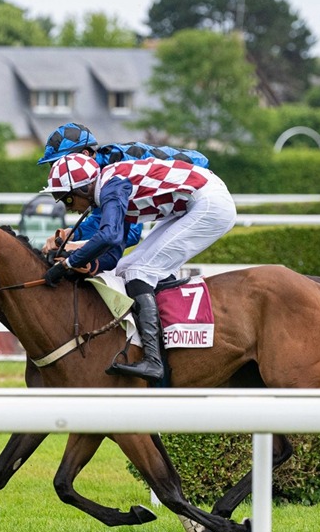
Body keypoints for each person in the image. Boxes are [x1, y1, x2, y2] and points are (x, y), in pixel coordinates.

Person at [40, 153, 237, 386]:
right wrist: (91, 265)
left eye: (67, 200)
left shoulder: (112, 188)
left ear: (83, 189)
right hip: (190, 203)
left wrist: (69, 263)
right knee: (126, 269)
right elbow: (114, 253)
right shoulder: (110, 188)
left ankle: (154, 360)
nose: (68, 208)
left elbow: (109, 235)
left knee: (140, 272)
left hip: (209, 203)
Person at [36, 122, 210, 271]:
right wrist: (70, 235)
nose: (56, 170)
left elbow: (129, 233)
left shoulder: (116, 169)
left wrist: (76, 248)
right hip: (182, 197)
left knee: (139, 271)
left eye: (58, 162)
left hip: (199, 192)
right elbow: (102, 220)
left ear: (86, 154)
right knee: (130, 268)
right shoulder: (97, 173)